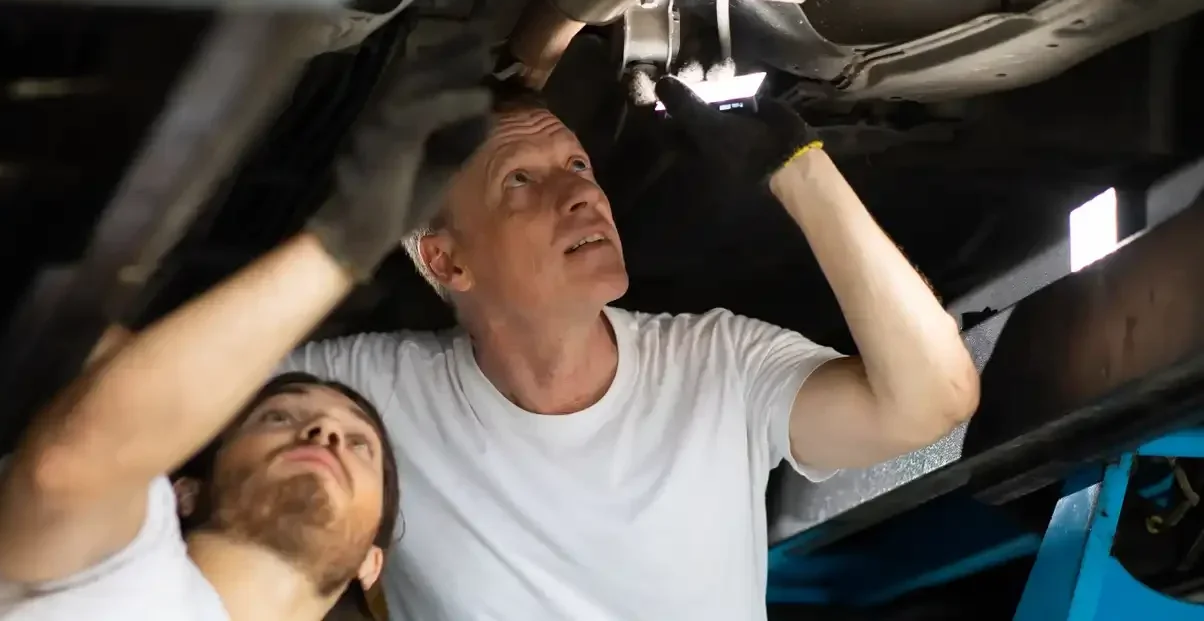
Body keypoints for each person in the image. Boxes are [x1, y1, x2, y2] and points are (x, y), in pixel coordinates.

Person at [278, 76, 982, 620]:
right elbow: (180, 398)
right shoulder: (370, 396)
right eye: (519, 178)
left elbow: (933, 400)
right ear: (446, 260)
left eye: (578, 162)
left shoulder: (718, 364)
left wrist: (798, 168)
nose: (580, 192)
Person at [0, 33, 494, 621]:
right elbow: (72, 461)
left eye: (360, 445)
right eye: (279, 417)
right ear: (187, 490)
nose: (324, 435)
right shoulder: (127, 558)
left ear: (372, 562)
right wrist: (342, 246)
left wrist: (348, 244)